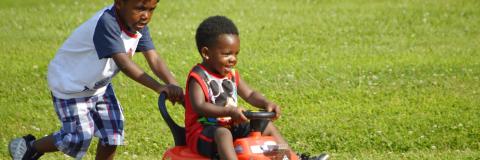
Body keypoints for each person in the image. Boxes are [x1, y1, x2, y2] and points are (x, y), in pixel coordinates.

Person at [8, 0, 183, 159]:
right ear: (120, 3)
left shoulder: (136, 24)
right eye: (140, 8)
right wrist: (159, 87)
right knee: (77, 138)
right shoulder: (107, 22)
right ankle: (29, 146)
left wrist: (172, 83)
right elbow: (124, 64)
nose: (146, 15)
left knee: (113, 135)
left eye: (152, 9)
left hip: (99, 86)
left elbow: (153, 58)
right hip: (71, 85)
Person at [185, 15, 329, 160]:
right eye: (227, 54)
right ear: (206, 53)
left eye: (236, 54)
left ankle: (289, 158)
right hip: (201, 133)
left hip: (231, 126)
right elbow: (199, 106)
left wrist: (266, 103)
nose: (233, 59)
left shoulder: (231, 75)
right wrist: (229, 110)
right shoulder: (198, 77)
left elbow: (250, 94)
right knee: (223, 134)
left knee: (267, 127)